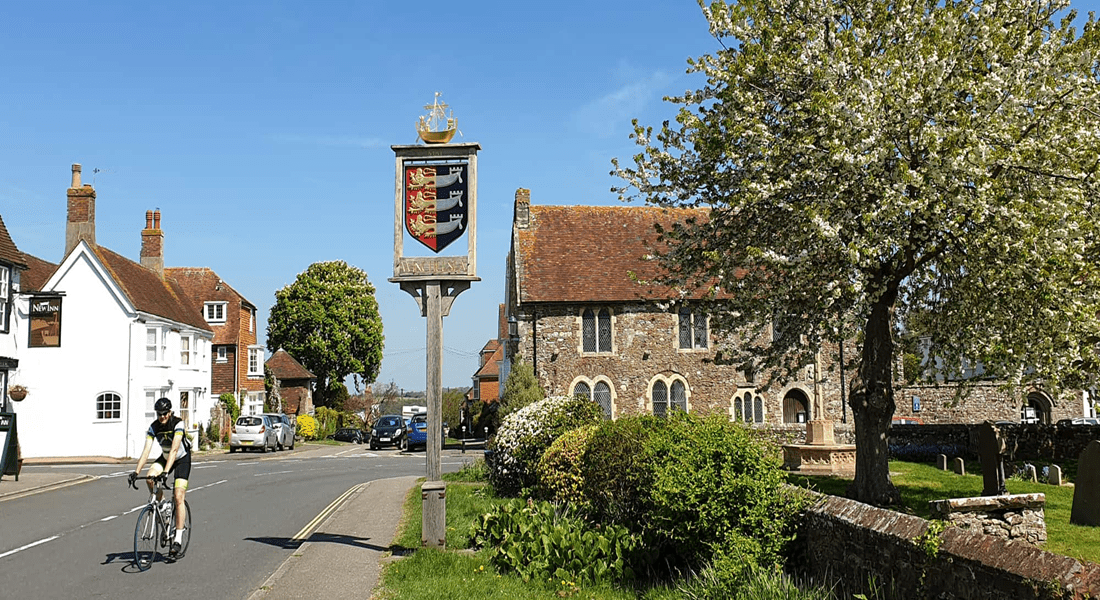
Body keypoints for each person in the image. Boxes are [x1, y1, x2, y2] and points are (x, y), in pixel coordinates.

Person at [128, 397, 191, 558]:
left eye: (164, 413)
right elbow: (146, 451)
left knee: (178, 496)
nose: (162, 416)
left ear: (170, 412)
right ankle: (163, 506)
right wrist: (136, 472)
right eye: (159, 414)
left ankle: (177, 539)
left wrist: (165, 472)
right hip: (164, 457)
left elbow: (175, 449)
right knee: (150, 477)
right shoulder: (154, 427)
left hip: (181, 459)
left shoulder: (177, 424)